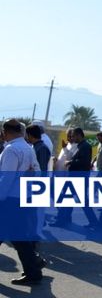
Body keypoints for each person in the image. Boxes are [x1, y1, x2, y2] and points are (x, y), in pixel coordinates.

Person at [0, 119, 43, 285]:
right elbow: (38, 172)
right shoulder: (28, 147)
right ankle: (34, 269)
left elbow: (6, 179)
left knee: (19, 237)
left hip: (10, 199)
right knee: (19, 237)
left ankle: (33, 271)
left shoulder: (11, 150)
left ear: (6, 131)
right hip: (22, 197)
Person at [50, 127, 99, 228]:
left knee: (70, 200)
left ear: (79, 135)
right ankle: (92, 222)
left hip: (78, 178)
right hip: (76, 177)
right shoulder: (80, 146)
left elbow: (84, 163)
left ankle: (61, 221)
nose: (72, 138)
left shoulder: (85, 146)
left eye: (74, 136)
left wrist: (70, 162)